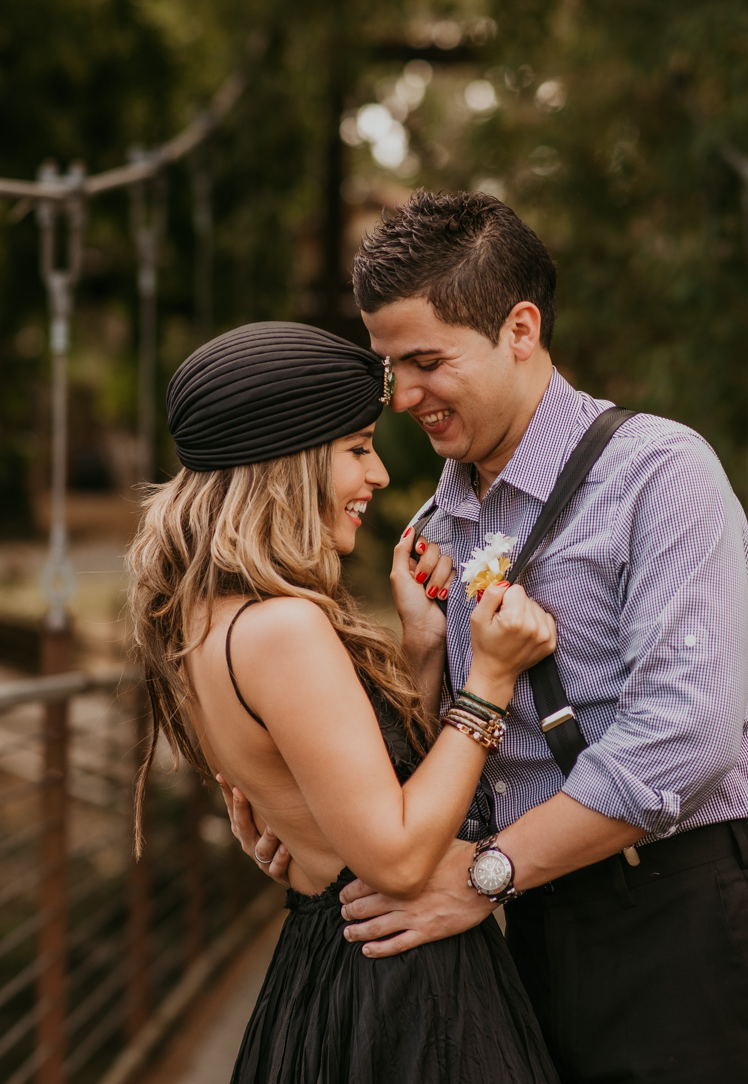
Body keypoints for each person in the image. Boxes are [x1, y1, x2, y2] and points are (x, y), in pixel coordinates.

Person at [228, 193, 748, 1084]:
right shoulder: (435, 522)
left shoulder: (660, 474)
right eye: (391, 369)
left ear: (521, 329)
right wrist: (314, 820)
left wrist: (486, 874)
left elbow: (688, 734)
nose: (404, 397)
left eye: (426, 361)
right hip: (528, 918)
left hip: (685, 909)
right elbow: (462, 779)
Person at [127, 320, 562, 1083]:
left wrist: (424, 651)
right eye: (357, 449)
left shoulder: (203, 620)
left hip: (332, 970)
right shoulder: (283, 628)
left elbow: (366, 806)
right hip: (398, 993)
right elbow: (396, 855)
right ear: (285, 462)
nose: (379, 476)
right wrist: (490, 682)